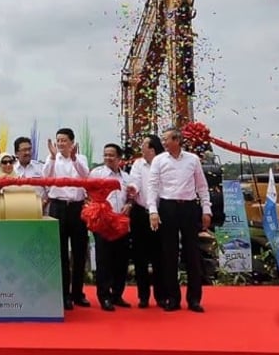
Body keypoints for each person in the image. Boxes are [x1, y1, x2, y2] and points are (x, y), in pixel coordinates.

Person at [146, 127, 211, 313]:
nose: (163, 143)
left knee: (192, 254)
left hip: (189, 207)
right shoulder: (159, 160)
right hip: (167, 207)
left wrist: (206, 209)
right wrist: (153, 211)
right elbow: (152, 186)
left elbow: (202, 186)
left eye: (166, 139)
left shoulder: (193, 159)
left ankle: (194, 299)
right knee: (169, 254)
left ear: (176, 140)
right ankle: (172, 298)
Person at [43, 127, 91, 311]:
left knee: (79, 252)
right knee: (61, 252)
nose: (61, 143)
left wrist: (73, 158)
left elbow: (86, 175)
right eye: (58, 140)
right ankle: (63, 295)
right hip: (58, 206)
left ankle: (78, 293)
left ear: (72, 142)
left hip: (77, 208)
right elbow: (46, 177)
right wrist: (53, 157)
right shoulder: (51, 159)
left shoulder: (81, 158)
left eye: (64, 140)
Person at [88, 143, 132, 311]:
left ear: (119, 158)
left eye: (111, 155)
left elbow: (132, 196)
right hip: (104, 224)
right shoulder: (96, 174)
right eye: (105, 155)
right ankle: (104, 296)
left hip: (121, 223)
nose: (108, 158)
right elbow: (88, 194)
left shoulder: (126, 177)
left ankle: (117, 294)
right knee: (104, 261)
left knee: (121, 261)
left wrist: (130, 204)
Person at [126, 134, 166, 308]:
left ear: (152, 148)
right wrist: (132, 189)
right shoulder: (137, 164)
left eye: (143, 145)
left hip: (159, 213)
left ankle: (161, 296)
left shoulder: (164, 162)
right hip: (141, 214)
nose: (140, 147)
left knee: (159, 257)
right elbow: (134, 181)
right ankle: (143, 296)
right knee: (140, 256)